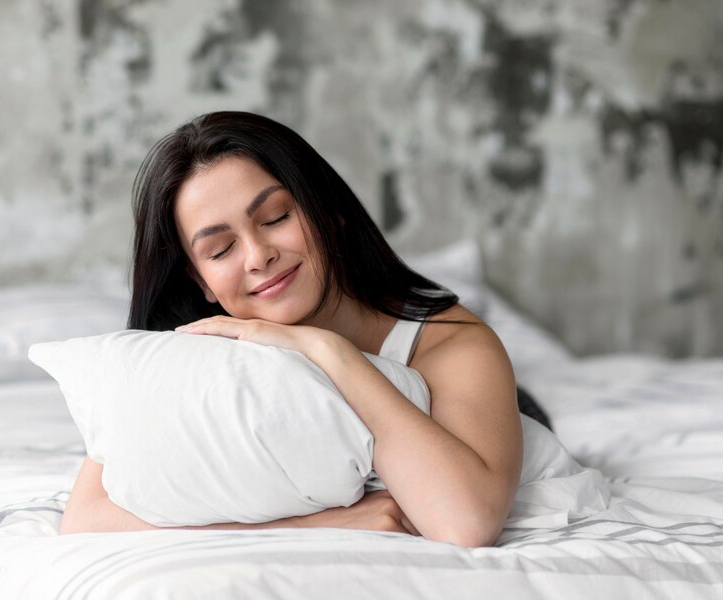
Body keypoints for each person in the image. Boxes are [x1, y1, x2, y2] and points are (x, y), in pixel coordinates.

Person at [60, 111, 528, 548]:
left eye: (276, 218)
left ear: (330, 211)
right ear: (201, 281)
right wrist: (319, 524)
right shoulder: (192, 354)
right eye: (220, 250)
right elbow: (85, 517)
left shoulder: (453, 344)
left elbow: (466, 522)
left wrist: (329, 351)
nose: (258, 255)